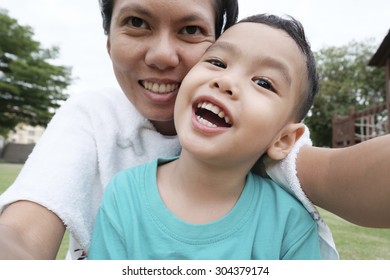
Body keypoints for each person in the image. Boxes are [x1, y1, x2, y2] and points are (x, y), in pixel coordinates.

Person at [0, 0, 389, 260]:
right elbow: (20, 235)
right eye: (136, 23)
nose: (162, 55)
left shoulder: (268, 158)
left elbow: (349, 175)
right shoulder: (93, 125)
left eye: (189, 30)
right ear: (108, 41)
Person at [88, 13, 324, 260]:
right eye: (218, 63)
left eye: (263, 83)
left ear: (283, 140)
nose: (225, 81)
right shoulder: (125, 195)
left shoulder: (289, 225)